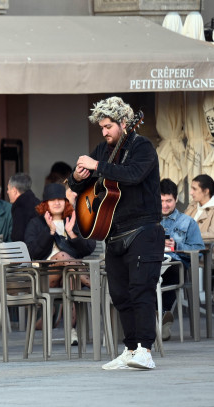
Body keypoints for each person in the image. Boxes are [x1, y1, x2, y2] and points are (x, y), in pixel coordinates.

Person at [69, 96, 163, 370]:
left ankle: (145, 350)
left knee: (141, 291)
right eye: (101, 127)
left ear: (124, 123)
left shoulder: (142, 146)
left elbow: (133, 174)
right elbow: (79, 188)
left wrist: (98, 166)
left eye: (108, 126)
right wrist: (77, 176)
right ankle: (130, 348)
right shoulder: (103, 149)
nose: (104, 132)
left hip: (144, 229)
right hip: (114, 233)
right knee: (120, 294)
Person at [24, 183, 95, 346]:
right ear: (45, 204)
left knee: (70, 278)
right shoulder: (36, 223)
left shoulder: (73, 221)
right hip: (44, 277)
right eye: (52, 200)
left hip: (71, 274)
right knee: (62, 256)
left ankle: (71, 331)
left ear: (66, 202)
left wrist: (71, 234)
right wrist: (49, 232)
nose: (57, 203)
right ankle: (95, 284)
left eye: (60, 200)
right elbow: (33, 253)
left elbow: (88, 249)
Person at [160, 178, 204, 341]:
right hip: (152, 263)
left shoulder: (187, 222)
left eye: (169, 201)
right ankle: (159, 317)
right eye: (162, 200)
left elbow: (198, 250)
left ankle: (161, 313)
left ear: (176, 199)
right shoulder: (149, 221)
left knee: (171, 267)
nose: (165, 205)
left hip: (175, 264)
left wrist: (177, 244)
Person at [7, 172, 40, 242]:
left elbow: (17, 237)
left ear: (14, 191)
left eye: (8, 189)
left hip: (27, 250)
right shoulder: (38, 202)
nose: (7, 192)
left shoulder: (19, 206)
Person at [184, 174, 214, 241]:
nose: (191, 192)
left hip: (205, 250)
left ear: (206, 191)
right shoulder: (193, 204)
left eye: (194, 189)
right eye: (191, 188)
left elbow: (212, 235)